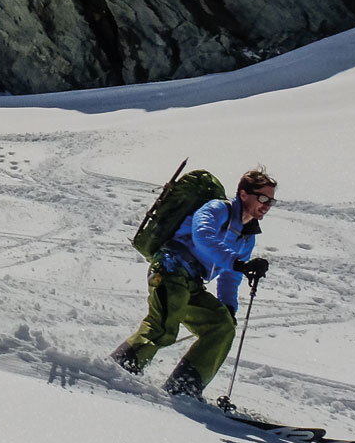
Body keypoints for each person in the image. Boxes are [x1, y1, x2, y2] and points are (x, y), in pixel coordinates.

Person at [112, 167, 276, 398]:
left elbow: (231, 277)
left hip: (192, 282)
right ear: (243, 194)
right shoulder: (218, 209)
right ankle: (117, 368)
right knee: (163, 329)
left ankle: (183, 387)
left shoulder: (247, 237)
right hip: (170, 269)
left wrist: (228, 307)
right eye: (262, 197)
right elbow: (203, 237)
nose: (267, 204)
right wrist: (238, 263)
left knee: (222, 326)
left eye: (271, 200)